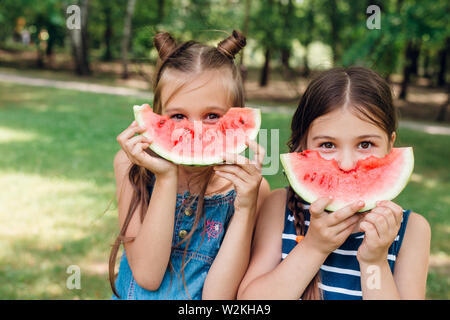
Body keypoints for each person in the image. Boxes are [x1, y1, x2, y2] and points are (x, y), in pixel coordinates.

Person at [237, 66, 431, 300]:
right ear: (302, 146)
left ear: (390, 145)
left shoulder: (411, 231)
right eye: (328, 145)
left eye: (366, 144)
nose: (347, 164)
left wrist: (374, 262)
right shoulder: (279, 207)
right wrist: (314, 247)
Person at [109, 30, 271, 300]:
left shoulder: (251, 189)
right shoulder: (131, 166)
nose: (194, 131)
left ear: (236, 116)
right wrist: (166, 178)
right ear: (158, 114)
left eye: (211, 116)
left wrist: (245, 209)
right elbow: (148, 276)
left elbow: (218, 298)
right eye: (178, 116)